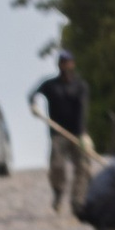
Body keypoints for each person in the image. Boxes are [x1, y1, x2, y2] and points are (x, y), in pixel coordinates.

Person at [29, 49, 92, 216]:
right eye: (62, 62)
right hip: (57, 134)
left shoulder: (80, 86)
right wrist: (33, 105)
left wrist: (80, 135)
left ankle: (77, 200)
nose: (65, 65)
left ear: (73, 64)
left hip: (77, 134)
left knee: (82, 168)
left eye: (68, 62)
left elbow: (83, 110)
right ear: (59, 64)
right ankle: (58, 191)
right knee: (57, 166)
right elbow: (33, 94)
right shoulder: (50, 86)